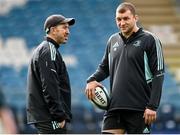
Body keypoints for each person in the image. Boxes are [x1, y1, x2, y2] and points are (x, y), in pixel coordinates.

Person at [85, 2, 164, 134]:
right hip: (114, 107)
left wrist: (152, 106)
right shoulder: (112, 40)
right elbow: (105, 68)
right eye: (118, 19)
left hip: (139, 109)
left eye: (126, 18)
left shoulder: (150, 39)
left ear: (135, 18)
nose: (122, 23)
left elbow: (159, 74)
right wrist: (91, 80)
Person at [26, 14, 75, 134]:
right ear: (53, 30)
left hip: (47, 117)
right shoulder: (49, 50)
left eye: (68, 28)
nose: (68, 32)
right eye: (64, 27)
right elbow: (49, 85)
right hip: (51, 118)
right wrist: (59, 115)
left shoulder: (46, 49)